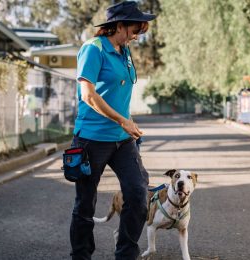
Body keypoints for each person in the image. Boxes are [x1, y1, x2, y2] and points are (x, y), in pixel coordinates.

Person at [69, 1, 156, 260]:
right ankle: (81, 256)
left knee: (138, 194)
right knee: (85, 204)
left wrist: (128, 123)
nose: (138, 34)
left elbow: (119, 93)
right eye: (135, 28)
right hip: (91, 139)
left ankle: (126, 254)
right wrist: (123, 121)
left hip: (122, 139)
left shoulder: (124, 50)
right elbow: (88, 95)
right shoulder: (93, 49)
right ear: (118, 25)